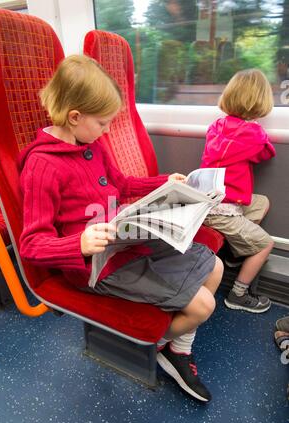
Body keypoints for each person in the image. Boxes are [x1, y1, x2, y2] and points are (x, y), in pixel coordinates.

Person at [18, 55, 223, 403]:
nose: (107, 130)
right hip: (94, 264)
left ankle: (176, 348)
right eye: (102, 122)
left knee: (215, 267)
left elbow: (122, 184)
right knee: (203, 306)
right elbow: (31, 244)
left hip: (124, 236)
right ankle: (157, 347)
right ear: (75, 117)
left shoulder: (91, 144)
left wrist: (166, 184)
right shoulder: (42, 166)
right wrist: (79, 243)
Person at [200, 69, 275, 313]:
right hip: (221, 209)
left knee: (261, 202)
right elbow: (266, 153)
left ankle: (235, 250)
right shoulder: (254, 134)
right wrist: (256, 128)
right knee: (265, 244)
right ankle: (238, 294)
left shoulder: (216, 126)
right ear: (260, 103)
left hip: (209, 199)